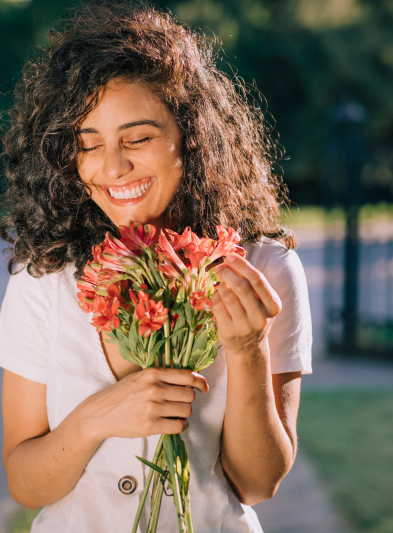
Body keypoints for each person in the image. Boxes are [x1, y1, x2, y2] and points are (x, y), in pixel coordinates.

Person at [0, 3, 312, 532]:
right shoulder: (44, 278)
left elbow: (258, 484)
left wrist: (246, 350)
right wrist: (95, 419)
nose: (113, 167)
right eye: (88, 145)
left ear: (188, 136)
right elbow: (26, 484)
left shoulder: (264, 267)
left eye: (138, 138)